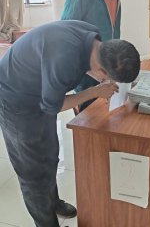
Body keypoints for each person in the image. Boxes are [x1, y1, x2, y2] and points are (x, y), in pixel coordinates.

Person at [0, 20, 140, 227]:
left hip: (41, 89)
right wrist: (94, 91)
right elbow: (53, 106)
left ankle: (53, 202)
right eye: (108, 78)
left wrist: (102, 83)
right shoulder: (64, 60)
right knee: (32, 172)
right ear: (102, 71)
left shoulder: (94, 38)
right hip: (15, 99)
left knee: (50, 155)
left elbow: (83, 69)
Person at [61, 0, 131, 111]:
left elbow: (114, 30)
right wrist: (94, 71)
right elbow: (66, 35)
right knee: (87, 119)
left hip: (107, 68)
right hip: (87, 72)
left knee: (108, 117)